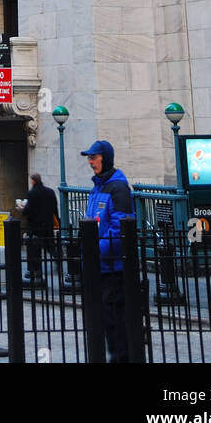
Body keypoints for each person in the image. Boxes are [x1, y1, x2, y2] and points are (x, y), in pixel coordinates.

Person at [81, 139, 134, 363]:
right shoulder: (97, 187)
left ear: (106, 158)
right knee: (102, 318)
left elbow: (121, 226)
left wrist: (96, 251)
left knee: (114, 318)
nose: (91, 162)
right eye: (89, 158)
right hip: (99, 266)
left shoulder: (118, 188)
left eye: (94, 158)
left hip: (112, 266)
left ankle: (121, 358)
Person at [19, 173, 59, 281]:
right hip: (48, 223)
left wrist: (22, 210)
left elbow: (29, 209)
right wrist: (57, 220)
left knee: (34, 246)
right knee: (49, 245)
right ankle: (58, 259)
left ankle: (36, 270)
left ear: (33, 181)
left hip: (35, 224)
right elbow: (55, 207)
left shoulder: (32, 193)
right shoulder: (50, 192)